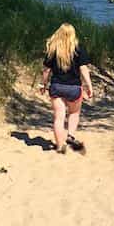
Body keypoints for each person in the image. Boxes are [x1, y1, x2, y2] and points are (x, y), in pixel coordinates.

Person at [40, 22, 93, 154]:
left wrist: (43, 84)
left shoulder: (53, 49)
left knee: (59, 117)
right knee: (74, 114)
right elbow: (83, 68)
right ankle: (70, 136)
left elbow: (46, 70)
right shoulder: (78, 49)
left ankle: (60, 146)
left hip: (57, 86)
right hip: (74, 88)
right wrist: (89, 86)